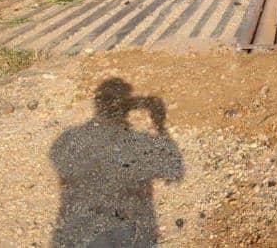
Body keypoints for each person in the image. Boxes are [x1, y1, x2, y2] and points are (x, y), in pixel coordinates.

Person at [50, 78, 184, 247]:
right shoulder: (139, 142)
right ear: (125, 107)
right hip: (126, 230)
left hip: (83, 231)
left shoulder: (69, 138)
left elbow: (58, 162)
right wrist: (159, 125)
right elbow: (174, 172)